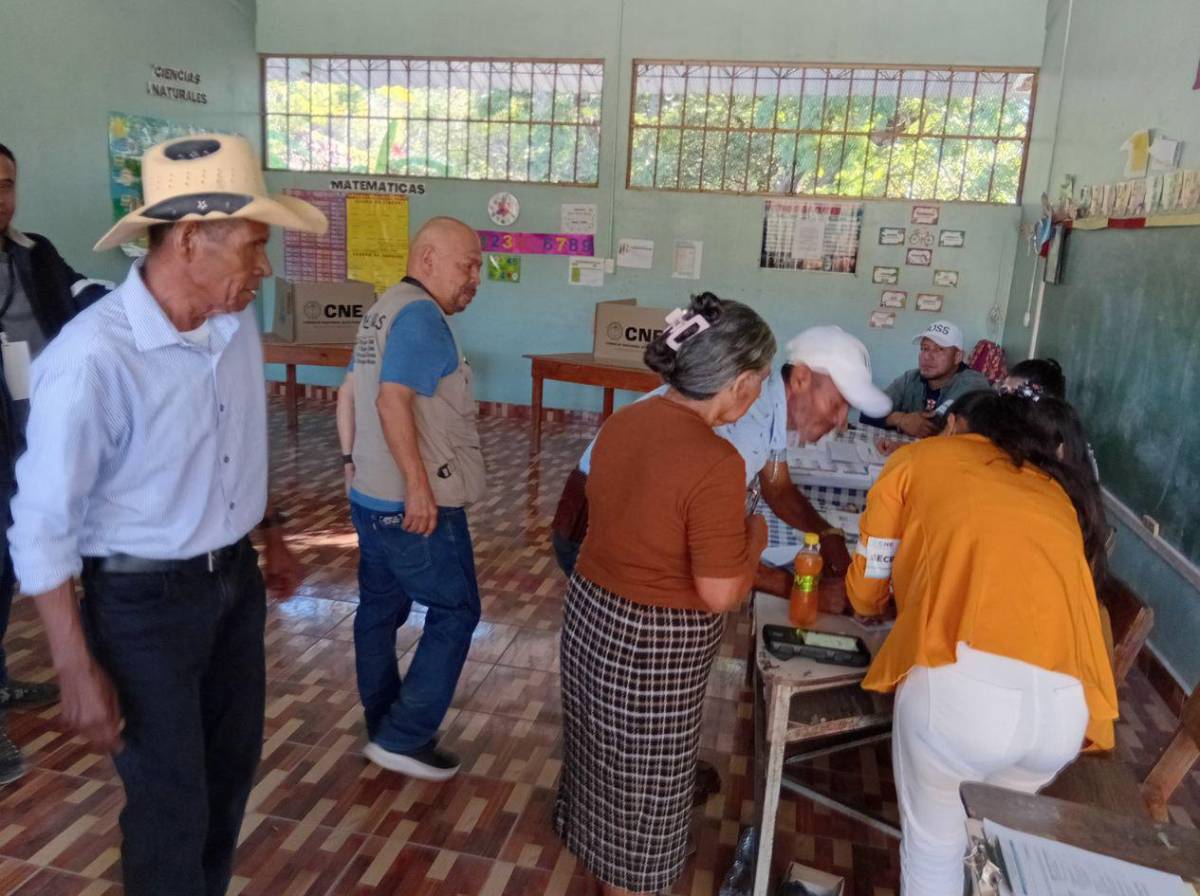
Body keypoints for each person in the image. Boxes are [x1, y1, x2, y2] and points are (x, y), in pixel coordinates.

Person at [7, 133, 324, 896]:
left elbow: (234, 443)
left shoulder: (231, 323)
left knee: (227, 780)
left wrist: (271, 531)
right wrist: (74, 663)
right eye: (253, 246)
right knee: (169, 804)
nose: (264, 266)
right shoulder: (91, 362)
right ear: (190, 240)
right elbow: (42, 523)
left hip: (233, 589)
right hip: (143, 608)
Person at [847, 389, 1118, 896]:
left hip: (961, 695)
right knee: (992, 859)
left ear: (955, 426)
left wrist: (872, 605)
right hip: (1061, 714)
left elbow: (869, 583)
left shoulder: (916, 459)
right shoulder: (1050, 485)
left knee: (934, 853)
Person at [554, 293, 769, 896]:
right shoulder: (714, 460)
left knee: (600, 761)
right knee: (646, 784)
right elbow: (722, 591)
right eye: (760, 382)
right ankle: (634, 882)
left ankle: (607, 867)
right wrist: (755, 536)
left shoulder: (624, 420)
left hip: (592, 615)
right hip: (655, 645)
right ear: (741, 382)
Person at [551, 325, 894, 595]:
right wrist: (801, 591)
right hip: (596, 532)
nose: (840, 421)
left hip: (623, 529)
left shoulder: (768, 401)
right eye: (836, 403)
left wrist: (826, 532)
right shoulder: (741, 417)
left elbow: (777, 485)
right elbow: (706, 556)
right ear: (802, 378)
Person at [339, 216, 484, 781]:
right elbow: (391, 401)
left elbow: (349, 391)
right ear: (426, 260)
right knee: (456, 610)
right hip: (412, 506)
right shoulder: (421, 317)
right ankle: (402, 735)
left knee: (378, 611)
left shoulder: (383, 309)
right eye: (466, 264)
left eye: (478, 266)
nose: (475, 277)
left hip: (371, 498)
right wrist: (418, 490)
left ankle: (384, 726)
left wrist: (350, 463)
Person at [0, 141, 112, 784]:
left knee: (15, 572)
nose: (1, 197)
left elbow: (81, 291)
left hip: (33, 442)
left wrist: (130, 307)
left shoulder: (33, 251)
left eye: (9, 183)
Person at [860, 320, 989, 437]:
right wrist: (901, 419)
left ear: (958, 357)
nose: (927, 356)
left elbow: (937, 426)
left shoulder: (973, 382)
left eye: (939, 350)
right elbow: (868, 413)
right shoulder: (910, 379)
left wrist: (895, 420)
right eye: (925, 348)